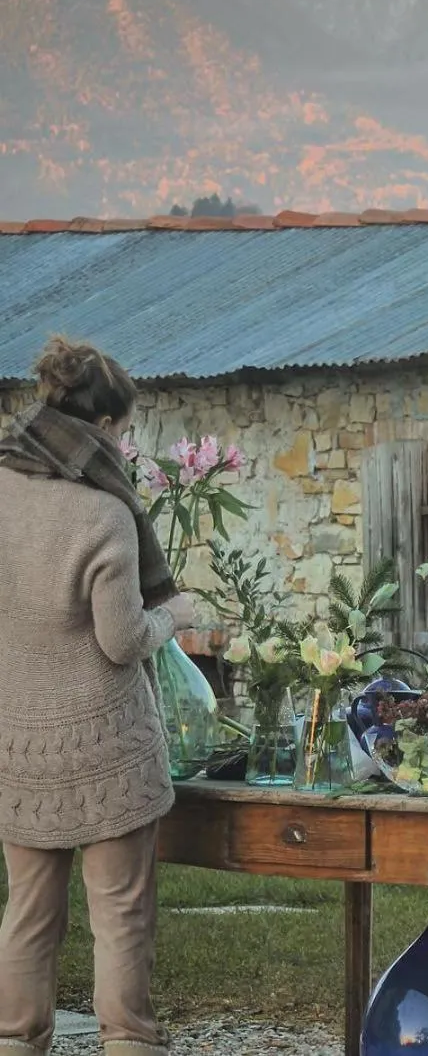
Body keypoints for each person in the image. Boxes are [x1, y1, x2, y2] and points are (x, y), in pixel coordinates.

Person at [0, 337, 196, 1055]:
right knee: (119, 915)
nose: (125, 441)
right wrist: (177, 615)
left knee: (27, 912)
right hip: (107, 748)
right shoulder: (104, 513)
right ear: (104, 423)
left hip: (17, 744)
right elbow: (121, 638)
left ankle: (15, 1041)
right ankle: (127, 1042)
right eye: (123, 427)